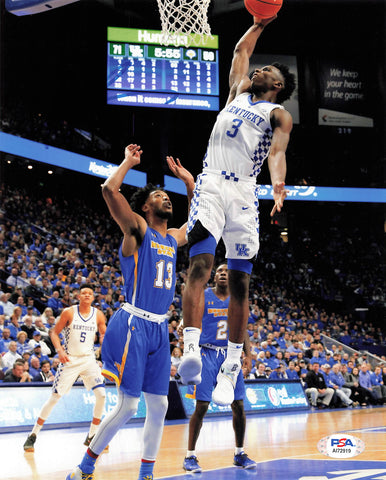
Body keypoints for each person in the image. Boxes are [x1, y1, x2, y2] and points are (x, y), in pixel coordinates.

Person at [177, 15, 296, 406]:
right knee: (201, 264)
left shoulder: (278, 114)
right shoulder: (236, 95)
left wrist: (278, 184)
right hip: (211, 180)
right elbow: (240, 50)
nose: (258, 68)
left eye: (268, 70)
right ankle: (191, 348)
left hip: (245, 191)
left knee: (241, 284)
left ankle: (231, 366)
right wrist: (261, 22)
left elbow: (277, 153)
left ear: (276, 86)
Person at [66, 144, 194, 480]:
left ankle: (146, 474)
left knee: (161, 405)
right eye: (158, 196)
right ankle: (85, 467)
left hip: (158, 329)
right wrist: (128, 162)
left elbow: (194, 229)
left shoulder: (171, 239)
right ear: (144, 207)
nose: (166, 198)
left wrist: (191, 186)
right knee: (127, 405)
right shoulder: (137, 230)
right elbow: (109, 190)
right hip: (133, 322)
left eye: (168, 196)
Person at [182, 263, 256, 473]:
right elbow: (191, 318)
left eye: (227, 271)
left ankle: (240, 452)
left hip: (230, 356)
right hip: (206, 354)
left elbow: (244, 330)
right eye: (220, 271)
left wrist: (248, 355)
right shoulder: (203, 295)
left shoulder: (237, 298)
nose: (224, 274)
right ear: (214, 276)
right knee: (202, 406)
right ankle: (190, 456)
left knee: (239, 406)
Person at [23, 284, 107, 452]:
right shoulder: (69, 312)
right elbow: (54, 332)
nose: (87, 295)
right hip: (70, 360)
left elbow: (104, 334)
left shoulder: (98, 314)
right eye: (84, 293)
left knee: (102, 395)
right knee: (55, 397)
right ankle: (33, 435)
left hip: (89, 359)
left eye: (90, 293)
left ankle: (92, 435)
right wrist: (59, 350)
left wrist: (104, 350)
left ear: (93, 297)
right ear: (78, 296)